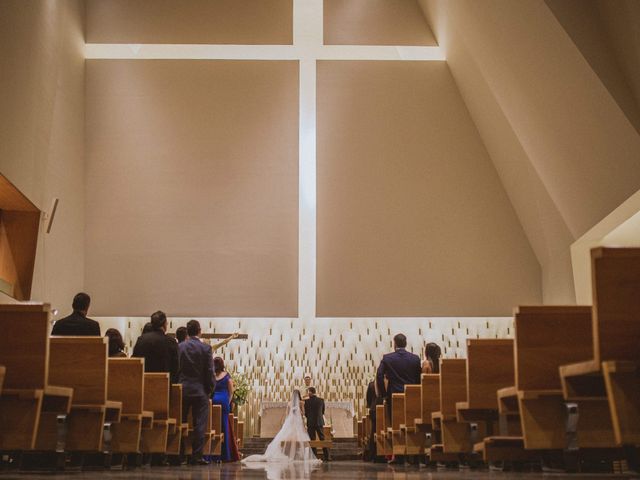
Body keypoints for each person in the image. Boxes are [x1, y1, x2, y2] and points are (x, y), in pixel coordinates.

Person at [243, 389, 321, 464]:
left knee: (289, 437)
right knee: (301, 438)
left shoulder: (289, 403)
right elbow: (303, 413)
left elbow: (287, 414)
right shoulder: (302, 403)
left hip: (290, 421)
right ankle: (298, 455)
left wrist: (287, 423)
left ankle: (290, 454)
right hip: (298, 422)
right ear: (299, 395)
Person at [376, 333, 421, 464]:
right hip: (411, 395)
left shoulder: (388, 358)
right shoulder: (415, 358)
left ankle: (400, 456)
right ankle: (414, 455)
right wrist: (416, 390)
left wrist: (384, 394)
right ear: (405, 343)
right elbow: (419, 377)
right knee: (412, 423)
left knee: (396, 425)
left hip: (394, 395)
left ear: (394, 343)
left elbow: (379, 375)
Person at [178, 319, 215, 465]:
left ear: (187, 331)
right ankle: (196, 456)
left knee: (181, 422)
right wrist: (210, 389)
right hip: (200, 390)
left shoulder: (180, 347)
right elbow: (209, 371)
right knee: (199, 423)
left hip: (182, 389)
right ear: (199, 331)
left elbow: (177, 368)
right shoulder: (205, 348)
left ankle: (179, 454)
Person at [132, 311, 179, 383]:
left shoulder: (141, 339)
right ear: (164, 324)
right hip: (164, 383)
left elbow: (136, 362)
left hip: (144, 383)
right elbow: (176, 367)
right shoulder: (171, 341)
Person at [212, 357, 238, 462]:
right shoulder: (227, 376)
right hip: (223, 401)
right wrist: (227, 402)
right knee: (224, 427)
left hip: (213, 401)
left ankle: (213, 454)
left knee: (213, 426)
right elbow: (231, 391)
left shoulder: (212, 376)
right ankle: (225, 454)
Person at [304, 387, 329, 462]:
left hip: (311, 422)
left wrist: (310, 417)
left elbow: (306, 413)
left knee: (312, 440)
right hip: (319, 422)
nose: (308, 394)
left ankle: (314, 456)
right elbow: (322, 412)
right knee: (322, 438)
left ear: (311, 392)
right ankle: (327, 456)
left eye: (308, 392)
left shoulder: (307, 401)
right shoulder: (321, 400)